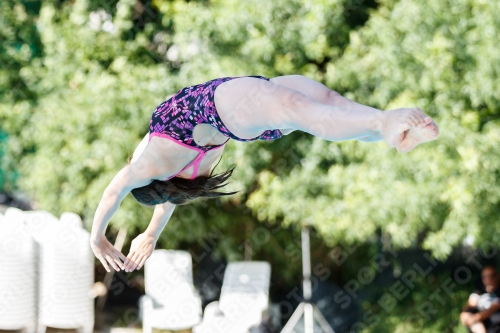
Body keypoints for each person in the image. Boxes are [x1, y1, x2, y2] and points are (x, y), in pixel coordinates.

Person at [89, 74, 439, 273]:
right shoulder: (153, 164)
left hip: (244, 112)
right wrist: (110, 235)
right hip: (231, 105)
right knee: (313, 113)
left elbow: (156, 197)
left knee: (327, 103)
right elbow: (121, 191)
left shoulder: (166, 169)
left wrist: (137, 233)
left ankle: (391, 132)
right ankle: (387, 122)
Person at [461, 265, 500, 333]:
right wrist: (467, 316)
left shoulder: (498, 292)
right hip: (479, 325)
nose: (488, 279)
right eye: (485, 277)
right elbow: (470, 305)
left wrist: (475, 318)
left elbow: (492, 309)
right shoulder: (479, 290)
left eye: (491, 276)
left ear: (496, 276)